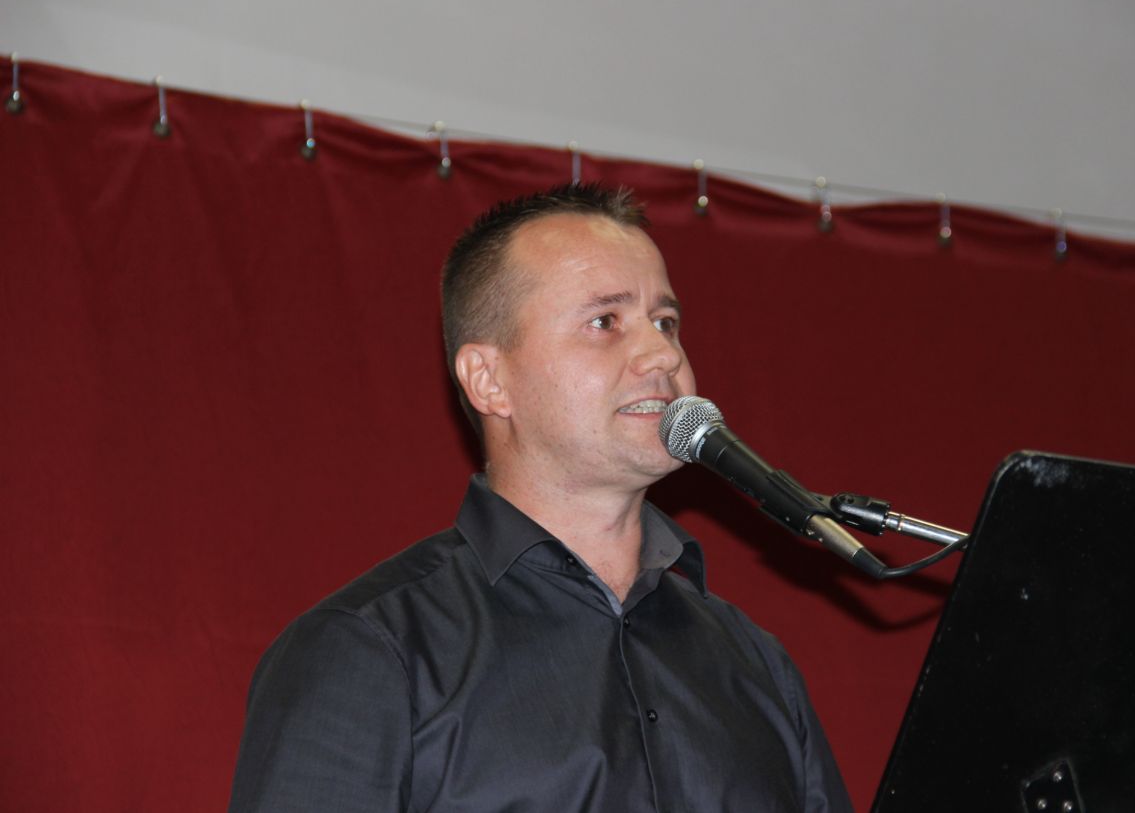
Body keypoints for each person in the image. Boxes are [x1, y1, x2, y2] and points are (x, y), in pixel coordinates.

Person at [228, 183, 854, 812]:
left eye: (666, 323)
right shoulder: (368, 649)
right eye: (605, 322)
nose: (664, 354)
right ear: (489, 380)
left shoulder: (757, 664)